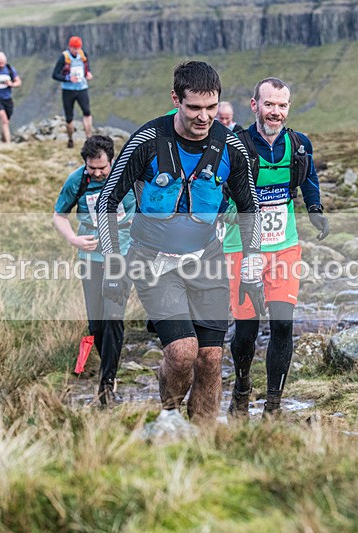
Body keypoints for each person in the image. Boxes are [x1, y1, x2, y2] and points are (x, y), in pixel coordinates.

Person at [96, 61, 263, 426]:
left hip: (207, 258)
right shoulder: (147, 141)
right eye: (194, 108)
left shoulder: (231, 146)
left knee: (210, 358)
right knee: (184, 352)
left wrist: (252, 267)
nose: (204, 117)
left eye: (211, 107)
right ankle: (169, 423)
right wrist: (112, 265)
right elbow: (107, 199)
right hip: (154, 261)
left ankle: (203, 441)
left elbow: (250, 207)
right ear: (176, 99)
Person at [223, 77, 329, 418]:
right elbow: (220, 193)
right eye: (269, 104)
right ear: (254, 105)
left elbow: (308, 176)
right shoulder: (235, 146)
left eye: (282, 105)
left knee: (283, 324)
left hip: (284, 246)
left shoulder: (298, 144)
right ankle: (241, 389)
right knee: (246, 329)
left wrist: (315, 209)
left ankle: (273, 406)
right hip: (242, 248)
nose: (275, 112)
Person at [53, 135, 136, 407]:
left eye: (102, 168)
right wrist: (73, 239)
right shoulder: (77, 180)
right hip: (90, 257)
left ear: (112, 160)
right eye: (92, 168)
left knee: (113, 317)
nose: (98, 173)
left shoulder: (128, 175)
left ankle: (107, 384)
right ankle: (107, 371)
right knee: (97, 324)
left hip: (121, 254)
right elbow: (59, 215)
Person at [52, 36, 94, 149]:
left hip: (82, 88)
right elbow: (55, 75)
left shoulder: (83, 55)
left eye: (78, 48)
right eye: (74, 48)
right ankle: (70, 139)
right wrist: (68, 78)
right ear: (70, 47)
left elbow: (87, 68)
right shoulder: (64, 57)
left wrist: (88, 74)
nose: (76, 50)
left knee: (87, 112)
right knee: (69, 117)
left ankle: (89, 139)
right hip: (68, 91)